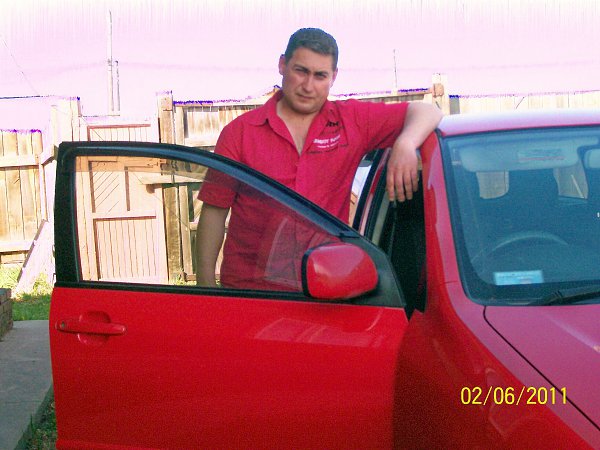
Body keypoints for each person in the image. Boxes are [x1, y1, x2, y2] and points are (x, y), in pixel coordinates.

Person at [196, 27, 443, 288]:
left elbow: (428, 111)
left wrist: (406, 143)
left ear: (333, 77)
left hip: (325, 288)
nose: (308, 86)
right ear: (282, 65)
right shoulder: (240, 133)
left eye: (320, 75)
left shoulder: (352, 121)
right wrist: (205, 286)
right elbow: (214, 211)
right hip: (251, 291)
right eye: (301, 71)